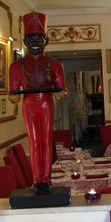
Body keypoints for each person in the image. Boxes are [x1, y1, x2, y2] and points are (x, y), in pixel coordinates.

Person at [8, 12, 67, 194]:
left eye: (39, 39)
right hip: (29, 106)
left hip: (46, 104)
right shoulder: (16, 66)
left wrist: (60, 93)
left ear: (45, 41)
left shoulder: (55, 64)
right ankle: (36, 179)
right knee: (34, 142)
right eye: (31, 39)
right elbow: (13, 92)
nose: (35, 43)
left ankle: (46, 178)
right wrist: (14, 97)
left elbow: (61, 89)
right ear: (25, 42)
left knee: (46, 142)